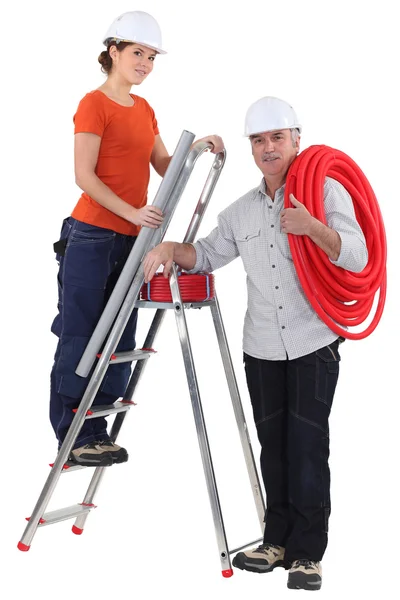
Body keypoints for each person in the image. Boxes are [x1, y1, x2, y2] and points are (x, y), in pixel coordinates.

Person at [143, 96, 368, 591]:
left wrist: (314, 228)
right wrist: (167, 249)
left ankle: (307, 556)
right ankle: (277, 542)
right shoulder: (241, 212)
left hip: (313, 343)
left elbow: (357, 255)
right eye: (259, 141)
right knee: (273, 448)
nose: (269, 149)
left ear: (296, 140)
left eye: (277, 139)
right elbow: (205, 254)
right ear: (252, 147)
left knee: (307, 447)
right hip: (261, 347)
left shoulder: (326, 193)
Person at [50, 10, 223, 469]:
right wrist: (131, 212)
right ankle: (73, 433)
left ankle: (98, 430)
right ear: (113, 52)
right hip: (90, 235)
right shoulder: (94, 103)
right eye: (137, 53)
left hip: (132, 240)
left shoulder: (144, 109)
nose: (145, 63)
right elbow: (83, 176)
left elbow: (164, 164)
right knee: (81, 333)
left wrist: (199, 149)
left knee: (121, 334)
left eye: (151, 56)